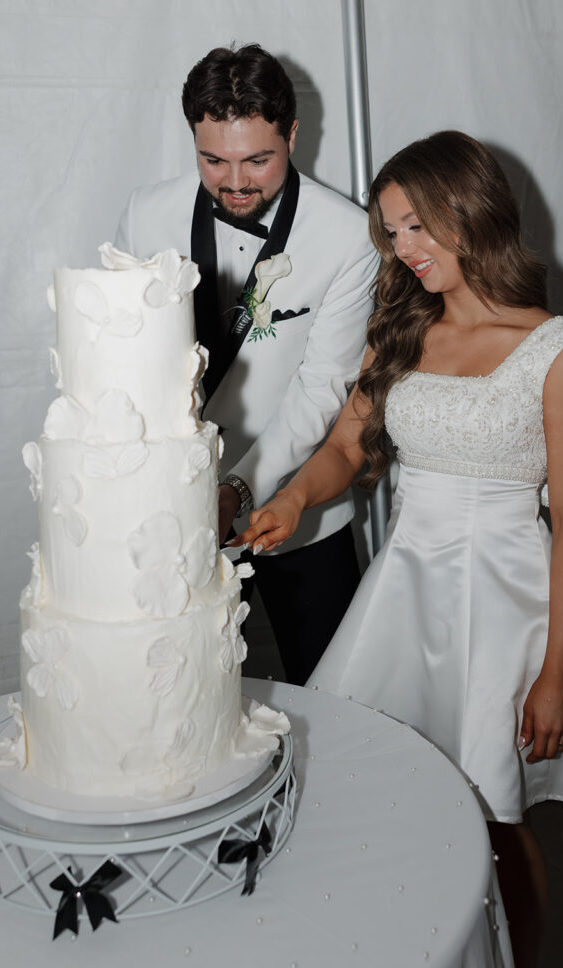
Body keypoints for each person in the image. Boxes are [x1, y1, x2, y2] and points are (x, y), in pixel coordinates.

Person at [232, 131, 563, 967]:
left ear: (470, 212)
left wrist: (558, 673)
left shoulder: (558, 354)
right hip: (403, 597)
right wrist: (293, 499)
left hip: (506, 615)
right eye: (392, 232)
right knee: (384, 791)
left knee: (494, 817)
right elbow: (346, 446)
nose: (404, 250)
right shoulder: (402, 329)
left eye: (417, 226)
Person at [115, 43, 379, 685]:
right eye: (214, 160)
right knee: (178, 699)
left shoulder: (348, 235)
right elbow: (122, 356)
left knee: (334, 698)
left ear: (292, 134)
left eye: (258, 160)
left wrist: (237, 486)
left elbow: (321, 388)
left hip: (301, 509)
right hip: (175, 510)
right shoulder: (145, 213)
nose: (235, 182)